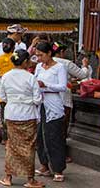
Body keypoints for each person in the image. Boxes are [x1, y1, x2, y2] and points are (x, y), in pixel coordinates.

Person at [0, 49, 44, 188]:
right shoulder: (30, 77)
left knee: (11, 145)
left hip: (12, 114)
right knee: (29, 147)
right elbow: (37, 100)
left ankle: (8, 177)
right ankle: (30, 179)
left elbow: (3, 97)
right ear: (25, 62)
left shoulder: (6, 76)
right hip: (28, 115)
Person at [34, 41, 68, 182]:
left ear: (49, 53)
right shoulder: (39, 67)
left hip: (53, 102)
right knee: (41, 136)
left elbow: (62, 86)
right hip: (41, 102)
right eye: (37, 56)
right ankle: (44, 165)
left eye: (41, 55)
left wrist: (46, 85)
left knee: (54, 136)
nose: (39, 58)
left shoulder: (59, 67)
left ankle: (58, 168)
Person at [0, 37, 17, 143]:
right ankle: (10, 137)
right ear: (14, 47)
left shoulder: (0, 58)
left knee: (3, 113)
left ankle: (4, 137)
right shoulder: (15, 57)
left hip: (3, 86)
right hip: (13, 87)